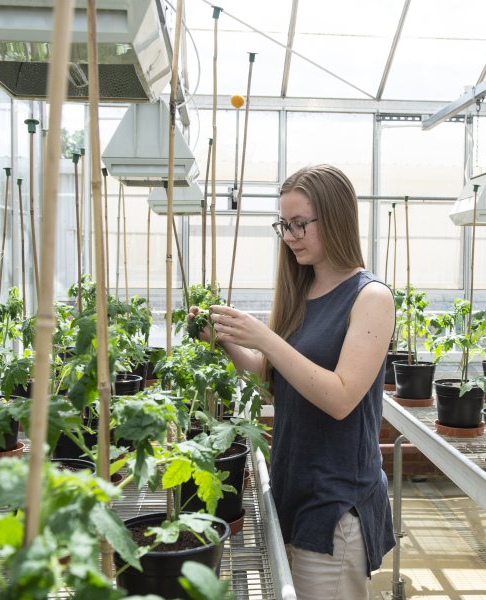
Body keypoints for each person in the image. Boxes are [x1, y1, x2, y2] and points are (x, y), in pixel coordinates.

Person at [189, 164, 395, 599]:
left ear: (336, 218)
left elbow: (340, 398)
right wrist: (227, 342)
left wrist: (264, 336)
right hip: (294, 486)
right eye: (284, 225)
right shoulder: (302, 290)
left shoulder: (370, 296)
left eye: (300, 224)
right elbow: (274, 379)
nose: (290, 236)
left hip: (336, 503)